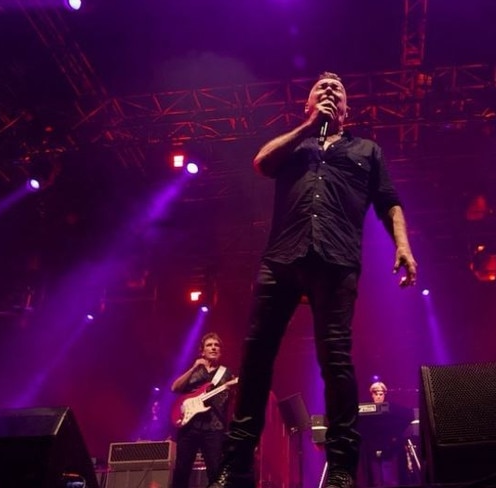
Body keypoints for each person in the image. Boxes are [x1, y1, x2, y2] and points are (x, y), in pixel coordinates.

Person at [209, 71, 418, 488]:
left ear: (347, 109)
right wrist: (308, 127)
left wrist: (403, 246)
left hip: (336, 259)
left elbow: (390, 203)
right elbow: (261, 162)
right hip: (282, 257)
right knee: (255, 359)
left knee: (335, 360)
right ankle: (237, 467)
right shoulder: (296, 144)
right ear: (307, 106)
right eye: (320, 88)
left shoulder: (366, 150)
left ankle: (342, 467)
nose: (328, 90)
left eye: (337, 89)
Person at [171, 332, 235, 488]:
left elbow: (233, 399)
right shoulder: (195, 371)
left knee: (215, 472)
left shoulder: (226, 373)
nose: (213, 348)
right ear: (202, 351)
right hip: (189, 425)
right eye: (209, 345)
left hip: (214, 427)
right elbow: (175, 388)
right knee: (181, 471)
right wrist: (193, 367)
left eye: (216, 345)